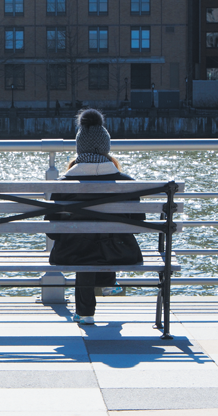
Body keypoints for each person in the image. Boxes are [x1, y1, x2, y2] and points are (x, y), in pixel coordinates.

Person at [46, 109, 144, 325]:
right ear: (106, 147)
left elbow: (52, 232)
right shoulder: (126, 183)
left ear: (79, 148)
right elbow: (137, 225)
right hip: (119, 253)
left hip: (72, 254)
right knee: (101, 239)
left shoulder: (62, 185)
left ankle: (85, 312)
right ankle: (108, 279)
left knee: (83, 246)